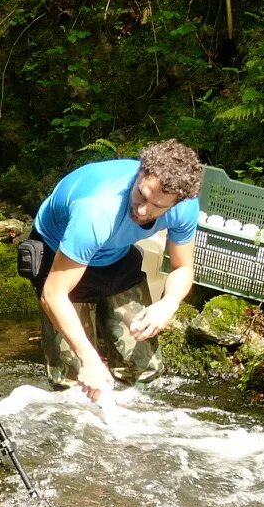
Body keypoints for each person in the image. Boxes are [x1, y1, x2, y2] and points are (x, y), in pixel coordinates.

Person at [29, 139, 203, 401]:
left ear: (176, 203)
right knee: (76, 385)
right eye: (141, 195)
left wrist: (169, 303)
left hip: (116, 254)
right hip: (59, 253)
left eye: (157, 207)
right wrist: (89, 359)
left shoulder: (185, 207)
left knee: (146, 371)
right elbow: (53, 294)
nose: (143, 210)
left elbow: (182, 267)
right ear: (140, 172)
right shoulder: (98, 209)